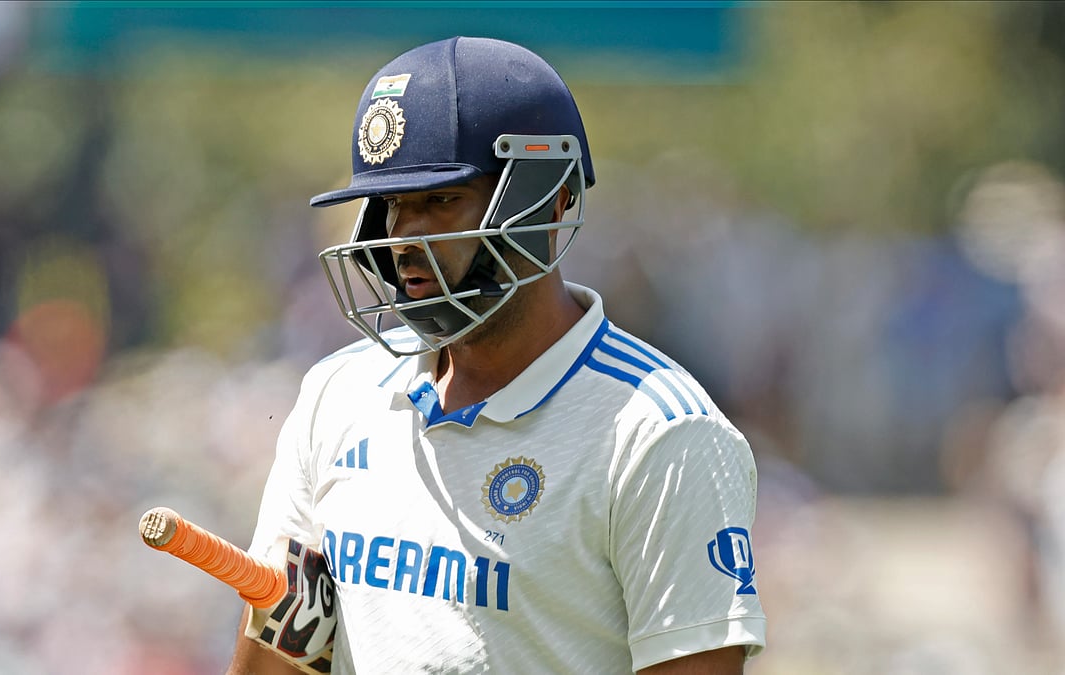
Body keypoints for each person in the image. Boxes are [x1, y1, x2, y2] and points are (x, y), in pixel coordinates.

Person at [227, 36, 766, 674]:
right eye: (395, 207)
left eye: (440, 201)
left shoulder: (661, 434)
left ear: (551, 198)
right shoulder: (338, 393)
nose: (403, 239)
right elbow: (284, 657)